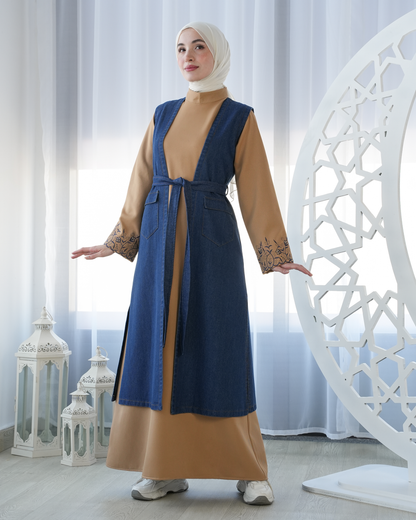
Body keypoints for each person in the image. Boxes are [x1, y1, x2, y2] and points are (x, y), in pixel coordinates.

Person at [72, 21, 312, 506]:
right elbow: (141, 180)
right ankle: (163, 469)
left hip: (212, 245)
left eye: (198, 47)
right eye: (181, 48)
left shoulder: (239, 117)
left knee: (220, 347)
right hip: (157, 245)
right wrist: (116, 241)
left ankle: (250, 471)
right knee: (159, 350)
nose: (188, 55)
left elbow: (257, 187)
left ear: (217, 53)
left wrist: (276, 252)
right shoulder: (162, 114)